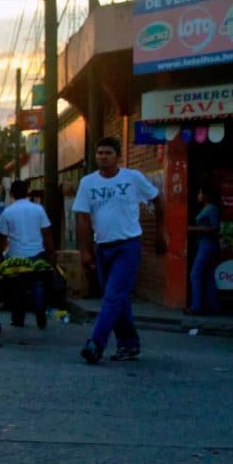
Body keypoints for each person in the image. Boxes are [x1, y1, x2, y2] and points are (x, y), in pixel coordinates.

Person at [72, 136, 163, 364]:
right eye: (100, 153)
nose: (103, 156)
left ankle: (96, 343)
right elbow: (82, 218)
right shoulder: (88, 183)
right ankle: (129, 344)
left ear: (118, 156)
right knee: (116, 297)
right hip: (103, 247)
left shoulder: (132, 178)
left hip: (128, 245)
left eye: (108, 153)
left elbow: (158, 200)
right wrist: (85, 251)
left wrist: (162, 233)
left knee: (113, 295)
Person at [0, 179, 54, 329]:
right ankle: (41, 317)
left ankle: (17, 319)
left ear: (11, 193)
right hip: (37, 254)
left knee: (17, 289)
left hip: (16, 256)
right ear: (28, 191)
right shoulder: (38, 209)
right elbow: (47, 233)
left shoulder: (8, 211)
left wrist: (1, 255)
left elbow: (2, 236)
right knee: (37, 286)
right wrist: (51, 253)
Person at [186, 183, 221, 316]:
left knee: (195, 274)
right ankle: (213, 305)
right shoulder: (206, 208)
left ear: (207, 195)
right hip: (203, 244)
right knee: (208, 276)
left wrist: (193, 229)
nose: (198, 196)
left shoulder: (212, 209)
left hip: (207, 245)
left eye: (201, 193)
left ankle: (196, 306)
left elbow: (214, 228)